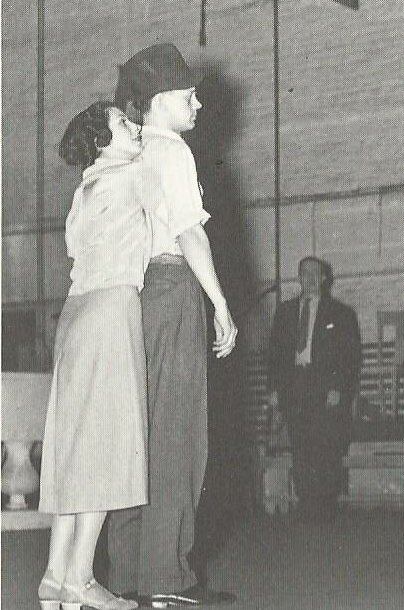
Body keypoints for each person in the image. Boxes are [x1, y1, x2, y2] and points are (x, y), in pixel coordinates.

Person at [106, 43, 238, 607]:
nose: (199, 105)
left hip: (133, 297)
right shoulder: (173, 151)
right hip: (172, 290)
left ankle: (131, 573)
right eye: (189, 96)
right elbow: (190, 234)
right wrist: (221, 305)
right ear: (160, 102)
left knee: (138, 433)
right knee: (178, 434)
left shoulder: (129, 153)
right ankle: (167, 579)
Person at [38, 102, 147, 610]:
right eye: (124, 123)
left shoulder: (83, 191)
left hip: (75, 316)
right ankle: (81, 580)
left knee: (76, 447)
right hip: (109, 310)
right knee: (104, 446)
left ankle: (56, 576)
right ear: (102, 141)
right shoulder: (129, 177)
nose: (135, 128)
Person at [267, 257, 361, 519]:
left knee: (325, 444)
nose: (308, 278)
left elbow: (350, 358)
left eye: (314, 273)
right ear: (298, 277)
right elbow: (274, 355)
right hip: (294, 386)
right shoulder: (285, 312)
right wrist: (273, 390)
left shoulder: (341, 314)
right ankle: (305, 502)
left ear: (323, 278)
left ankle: (325, 504)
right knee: (300, 444)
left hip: (324, 388)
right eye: (303, 273)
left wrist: (338, 389)